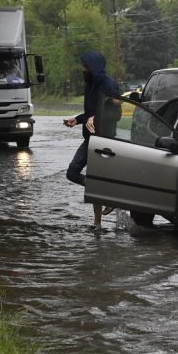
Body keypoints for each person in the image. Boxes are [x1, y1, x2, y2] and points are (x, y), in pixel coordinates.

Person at [64, 51, 119, 229]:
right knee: (72, 172)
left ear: (93, 68)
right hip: (90, 139)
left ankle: (97, 224)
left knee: (99, 177)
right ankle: (100, 195)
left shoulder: (109, 85)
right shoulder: (90, 84)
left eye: (85, 67)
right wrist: (78, 119)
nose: (82, 70)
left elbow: (115, 113)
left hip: (105, 139)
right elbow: (90, 112)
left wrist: (95, 118)